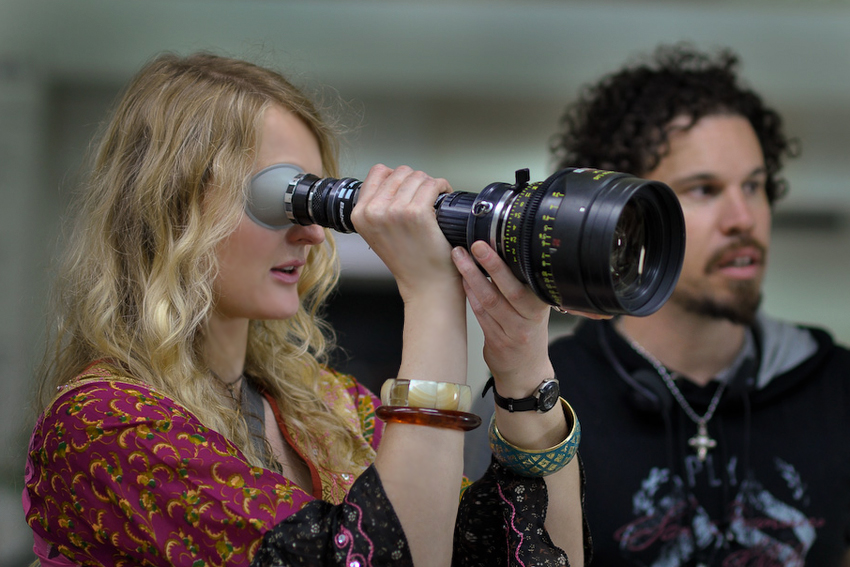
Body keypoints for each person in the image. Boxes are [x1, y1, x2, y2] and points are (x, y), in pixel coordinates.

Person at [22, 52, 591, 567]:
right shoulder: (102, 426)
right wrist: (431, 297)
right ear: (171, 208)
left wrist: (523, 366)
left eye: (314, 199)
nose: (312, 233)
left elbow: (516, 556)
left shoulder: (330, 406)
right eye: (282, 198)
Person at [546, 42, 850, 566]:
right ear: (627, 218)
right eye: (705, 189)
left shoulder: (838, 387)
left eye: (754, 186)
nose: (744, 218)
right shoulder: (550, 400)